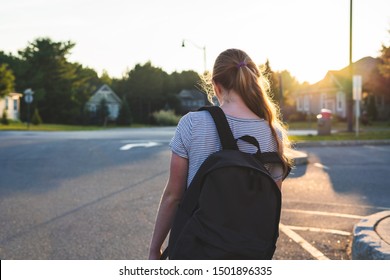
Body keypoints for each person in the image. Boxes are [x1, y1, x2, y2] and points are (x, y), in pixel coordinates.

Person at [148, 48, 292, 260]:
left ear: (215, 86)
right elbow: (270, 204)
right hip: (247, 251)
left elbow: (173, 196)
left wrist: (154, 250)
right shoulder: (273, 133)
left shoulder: (192, 124)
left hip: (195, 247)